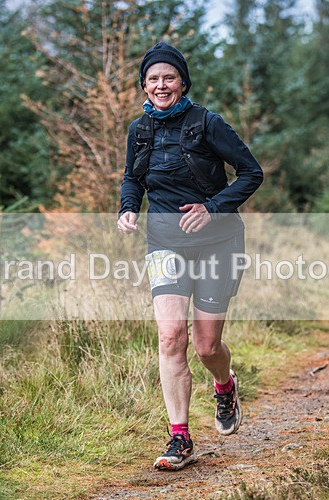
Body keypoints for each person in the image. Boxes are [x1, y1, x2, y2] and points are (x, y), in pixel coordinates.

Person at [117, 42, 264, 470]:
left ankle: (224, 385)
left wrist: (212, 207)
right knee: (170, 337)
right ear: (144, 86)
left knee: (205, 345)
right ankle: (179, 437)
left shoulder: (208, 123)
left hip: (218, 241)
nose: (161, 85)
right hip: (163, 241)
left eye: (169, 77)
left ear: (182, 82)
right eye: (153, 79)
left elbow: (252, 172)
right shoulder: (139, 130)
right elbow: (132, 178)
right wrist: (128, 207)